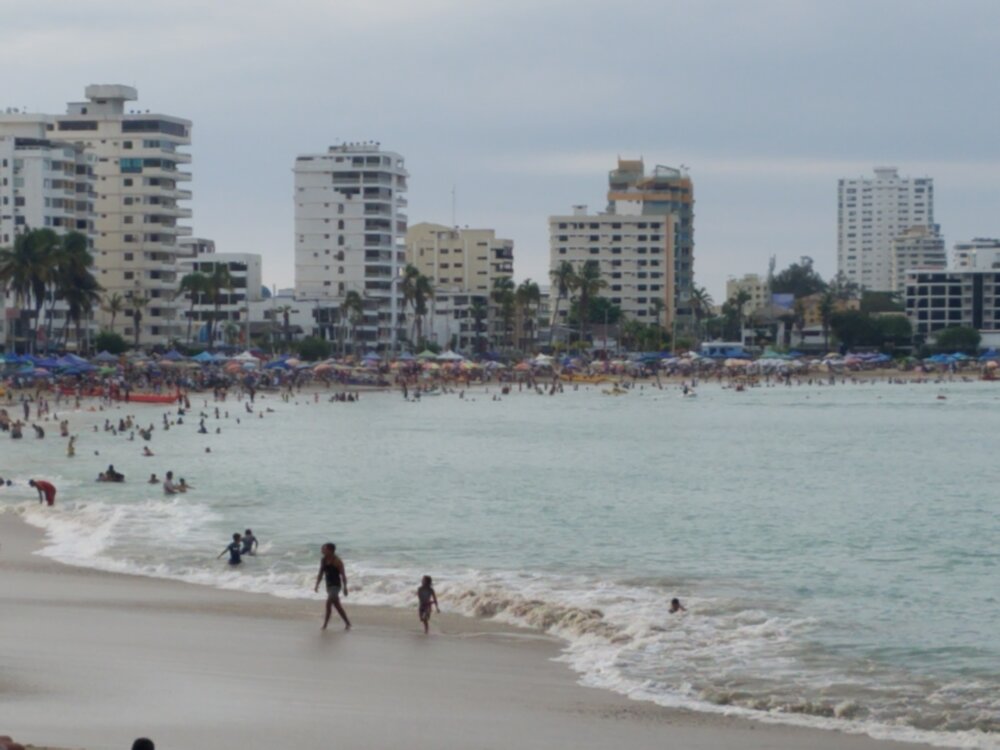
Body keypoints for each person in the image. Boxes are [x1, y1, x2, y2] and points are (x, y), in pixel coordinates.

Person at [313, 542, 350, 630]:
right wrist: (317, 584)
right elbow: (321, 573)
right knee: (337, 605)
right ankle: (347, 623)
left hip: (336, 586)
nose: (322, 550)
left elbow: (343, 575)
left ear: (330, 550)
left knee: (328, 603)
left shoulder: (337, 561)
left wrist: (345, 588)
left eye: (324, 549)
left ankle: (325, 624)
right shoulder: (323, 560)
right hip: (329, 586)